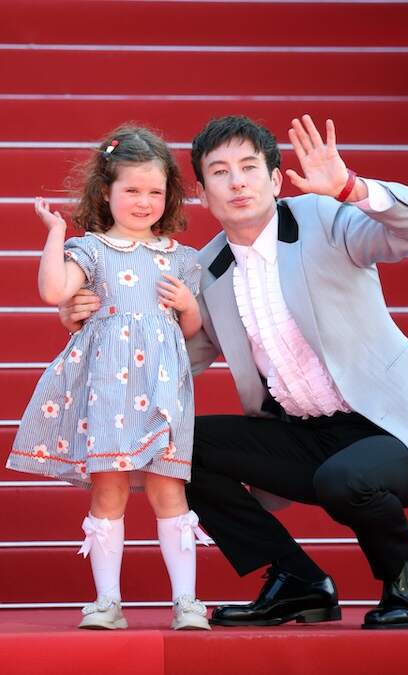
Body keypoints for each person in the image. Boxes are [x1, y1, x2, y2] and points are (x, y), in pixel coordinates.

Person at [61, 115, 408, 630]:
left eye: (249, 167)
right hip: (304, 434)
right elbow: (172, 357)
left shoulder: (325, 220)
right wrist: (89, 322)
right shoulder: (204, 270)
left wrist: (351, 188)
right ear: (203, 194)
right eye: (220, 172)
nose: (237, 183)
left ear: (275, 178)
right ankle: (297, 581)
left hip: (394, 426)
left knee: (345, 480)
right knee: (179, 448)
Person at [9, 126, 211, 631]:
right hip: (108, 394)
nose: (144, 202)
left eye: (155, 191)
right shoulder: (93, 250)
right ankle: (107, 602)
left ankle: (186, 601)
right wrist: (56, 235)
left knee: (170, 491)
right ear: (106, 191)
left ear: (169, 195)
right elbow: (54, 291)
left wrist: (188, 305)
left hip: (163, 394)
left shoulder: (182, 258)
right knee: (109, 492)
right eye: (131, 190)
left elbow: (189, 332)